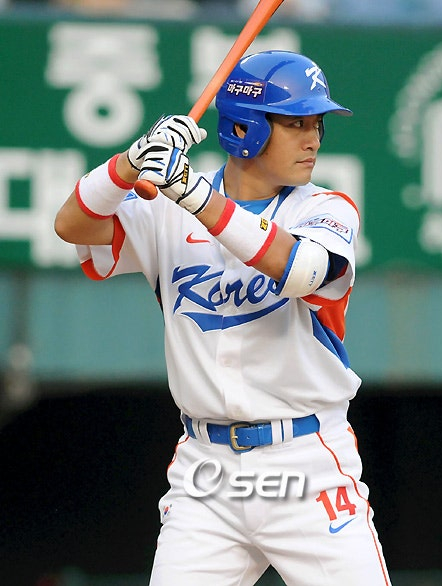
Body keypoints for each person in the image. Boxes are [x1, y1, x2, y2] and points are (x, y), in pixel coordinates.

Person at [55, 50, 391, 586]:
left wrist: (195, 196)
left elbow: (304, 270)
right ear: (243, 128)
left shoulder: (324, 207)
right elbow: (72, 225)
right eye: (295, 123)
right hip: (207, 475)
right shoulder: (165, 210)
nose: (313, 139)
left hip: (307, 462)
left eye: (316, 124)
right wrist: (127, 164)